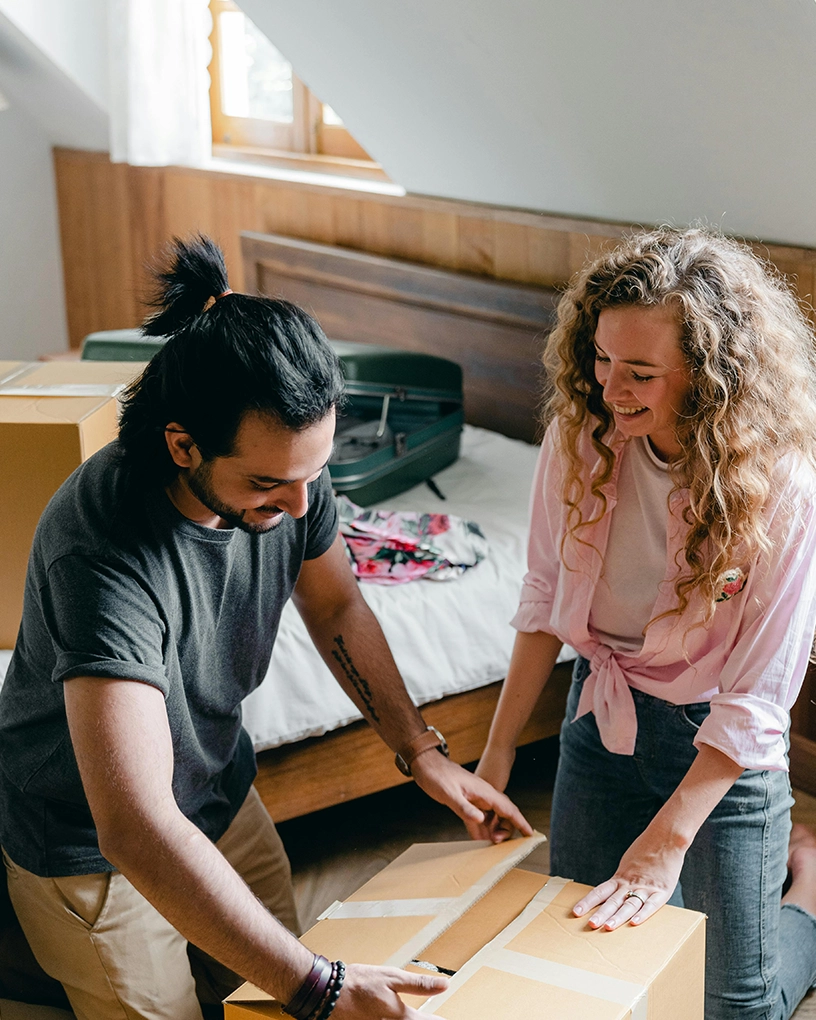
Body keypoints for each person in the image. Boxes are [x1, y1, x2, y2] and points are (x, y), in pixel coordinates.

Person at [0, 236, 531, 1020]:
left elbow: (338, 605)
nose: (300, 508)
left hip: (217, 788)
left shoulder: (293, 481)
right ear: (182, 444)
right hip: (93, 848)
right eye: (269, 484)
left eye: (313, 476)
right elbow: (136, 826)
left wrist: (422, 752)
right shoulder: (101, 549)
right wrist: (322, 986)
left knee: (271, 1000)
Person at [475, 227, 816, 1019]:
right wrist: (493, 759)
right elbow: (542, 597)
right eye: (599, 359)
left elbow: (759, 696)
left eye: (640, 372)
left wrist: (666, 846)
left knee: (738, 1007)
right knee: (579, 970)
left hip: (721, 754)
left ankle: (808, 895)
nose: (608, 387)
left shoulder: (783, 486)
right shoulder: (579, 436)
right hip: (601, 721)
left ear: (708, 371)